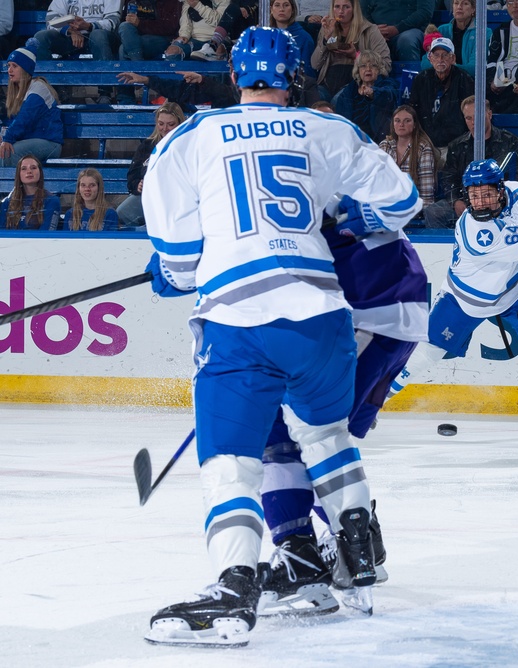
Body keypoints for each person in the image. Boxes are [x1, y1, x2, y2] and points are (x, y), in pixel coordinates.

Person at [139, 26, 422, 647]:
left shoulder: (187, 139)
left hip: (238, 320)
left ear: (234, 76)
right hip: (323, 316)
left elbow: (183, 264)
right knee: (325, 436)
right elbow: (403, 199)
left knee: (232, 463)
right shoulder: (327, 128)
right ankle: (358, 552)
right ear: (294, 77)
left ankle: (234, 588)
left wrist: (170, 268)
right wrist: (350, 214)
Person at [257, 208, 429, 617]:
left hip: (365, 309)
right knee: (319, 435)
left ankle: (314, 557)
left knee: (291, 433)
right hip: (386, 305)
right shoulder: (332, 155)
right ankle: (359, 548)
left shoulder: (283, 167)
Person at [386, 159, 518, 433]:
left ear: (500, 190)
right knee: (421, 356)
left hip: (515, 287)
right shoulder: (476, 231)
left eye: (486, 194)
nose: (480, 202)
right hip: (465, 298)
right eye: (474, 196)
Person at [423, 95, 518, 229]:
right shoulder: (457, 146)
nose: (474, 122)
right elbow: (448, 177)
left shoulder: (511, 142)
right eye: (468, 118)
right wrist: (455, 201)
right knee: (433, 212)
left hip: (499, 201)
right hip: (467, 201)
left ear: (489, 114)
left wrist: (498, 199)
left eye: (478, 116)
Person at [34, 0, 121, 104]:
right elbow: (51, 21)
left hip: (98, 37)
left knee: (98, 36)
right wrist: (70, 30)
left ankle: (105, 93)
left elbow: (113, 22)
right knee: (40, 37)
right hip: (70, 37)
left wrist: (88, 26)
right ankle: (52, 92)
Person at [116, 102, 186, 230]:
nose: (165, 128)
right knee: (122, 214)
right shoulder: (147, 146)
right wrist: (138, 185)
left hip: (178, 198)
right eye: (161, 124)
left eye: (170, 124)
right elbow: (132, 176)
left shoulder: (187, 146)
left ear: (180, 123)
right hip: (149, 196)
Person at [312, 0, 390, 104]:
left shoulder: (370, 30)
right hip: (327, 84)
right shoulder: (326, 28)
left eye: (346, 7)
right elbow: (315, 64)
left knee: (338, 101)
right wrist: (325, 39)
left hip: (354, 84)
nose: (341, 11)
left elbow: (386, 66)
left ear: (354, 9)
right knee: (312, 96)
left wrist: (356, 56)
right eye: (337, 7)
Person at [1, 40, 63, 167]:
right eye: (8, 66)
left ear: (25, 69)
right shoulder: (17, 92)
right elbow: (11, 123)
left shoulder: (38, 88)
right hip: (27, 141)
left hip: (49, 143)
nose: (9, 70)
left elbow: (25, 118)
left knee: (7, 153)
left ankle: (14, 187)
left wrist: (7, 139)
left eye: (14, 66)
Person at [410, 37, 474, 150]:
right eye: (436, 55)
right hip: (426, 143)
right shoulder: (421, 79)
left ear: (453, 58)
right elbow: (413, 109)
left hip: (456, 145)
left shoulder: (465, 79)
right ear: (430, 58)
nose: (440, 59)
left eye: (445, 55)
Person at [333, 50, 398, 141]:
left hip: (378, 139)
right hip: (353, 139)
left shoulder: (388, 84)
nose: (368, 69)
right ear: (358, 70)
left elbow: (389, 95)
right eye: (363, 66)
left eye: (373, 65)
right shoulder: (349, 91)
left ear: (379, 70)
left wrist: (373, 93)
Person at [379, 104, 436, 206]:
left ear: (414, 125)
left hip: (413, 206)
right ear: (393, 124)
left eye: (407, 121)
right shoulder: (384, 146)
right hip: (386, 204)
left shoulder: (423, 147)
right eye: (397, 121)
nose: (401, 124)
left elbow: (426, 193)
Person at [418, 0, 491, 77]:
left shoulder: (483, 32)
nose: (459, 7)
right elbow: (425, 62)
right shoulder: (442, 30)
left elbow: (475, 68)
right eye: (456, 3)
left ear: (473, 9)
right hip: (441, 81)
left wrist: (446, 67)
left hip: (468, 83)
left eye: (465, 3)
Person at [117, 68, 239, 111]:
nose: (231, 65)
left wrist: (202, 80)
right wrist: (146, 80)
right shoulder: (217, 83)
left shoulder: (250, 88)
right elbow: (179, 90)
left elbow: (230, 94)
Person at [359, 0, 433, 63]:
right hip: (377, 33)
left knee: (406, 40)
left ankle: (412, 77)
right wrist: (374, 30)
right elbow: (361, 12)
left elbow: (425, 12)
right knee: (363, 38)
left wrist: (397, 29)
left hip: (411, 31)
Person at [0, 154, 61, 230]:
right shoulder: (7, 202)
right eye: (24, 169)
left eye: (33, 168)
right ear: (18, 175)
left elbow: (46, 235)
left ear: (40, 172)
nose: (29, 171)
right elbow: (2, 233)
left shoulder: (52, 201)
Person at [118, 0, 183, 62]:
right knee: (124, 26)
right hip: (136, 35)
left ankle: (137, 66)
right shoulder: (131, 1)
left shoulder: (170, 2)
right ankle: (137, 65)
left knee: (123, 49)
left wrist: (140, 24)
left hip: (162, 37)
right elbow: (124, 20)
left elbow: (170, 27)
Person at [163, 0, 228, 61]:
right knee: (172, 52)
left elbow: (219, 22)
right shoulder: (188, 2)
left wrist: (197, 5)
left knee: (219, 50)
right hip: (195, 40)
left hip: (217, 39)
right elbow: (186, 22)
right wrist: (184, 35)